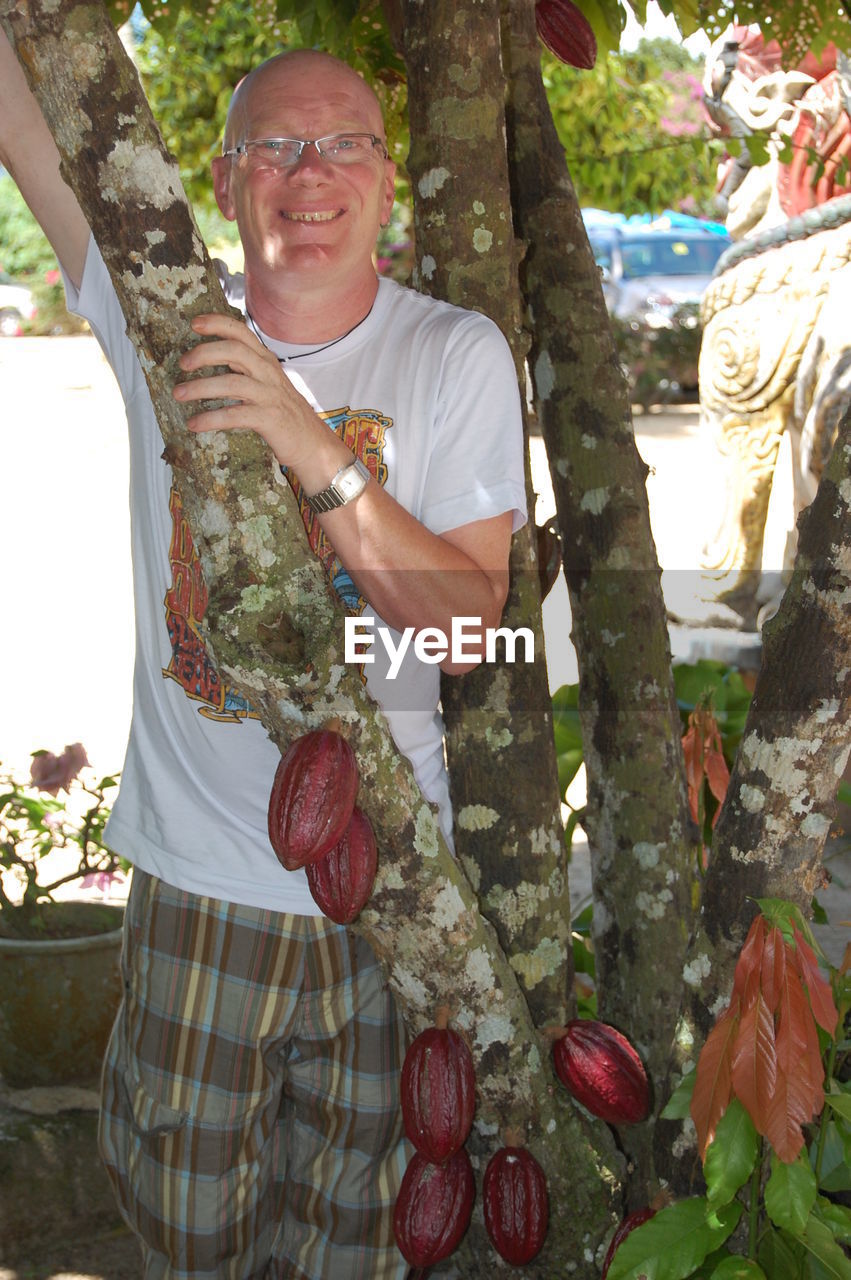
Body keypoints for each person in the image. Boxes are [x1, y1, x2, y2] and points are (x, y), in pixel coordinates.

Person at [0, 36, 526, 1279]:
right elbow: (23, 114)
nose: (309, 171)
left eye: (342, 142)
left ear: (387, 181)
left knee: (359, 1233)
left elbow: (465, 625)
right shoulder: (160, 315)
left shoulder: (452, 353)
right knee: (186, 1224)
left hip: (384, 889)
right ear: (227, 180)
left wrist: (308, 441)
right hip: (202, 884)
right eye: (275, 146)